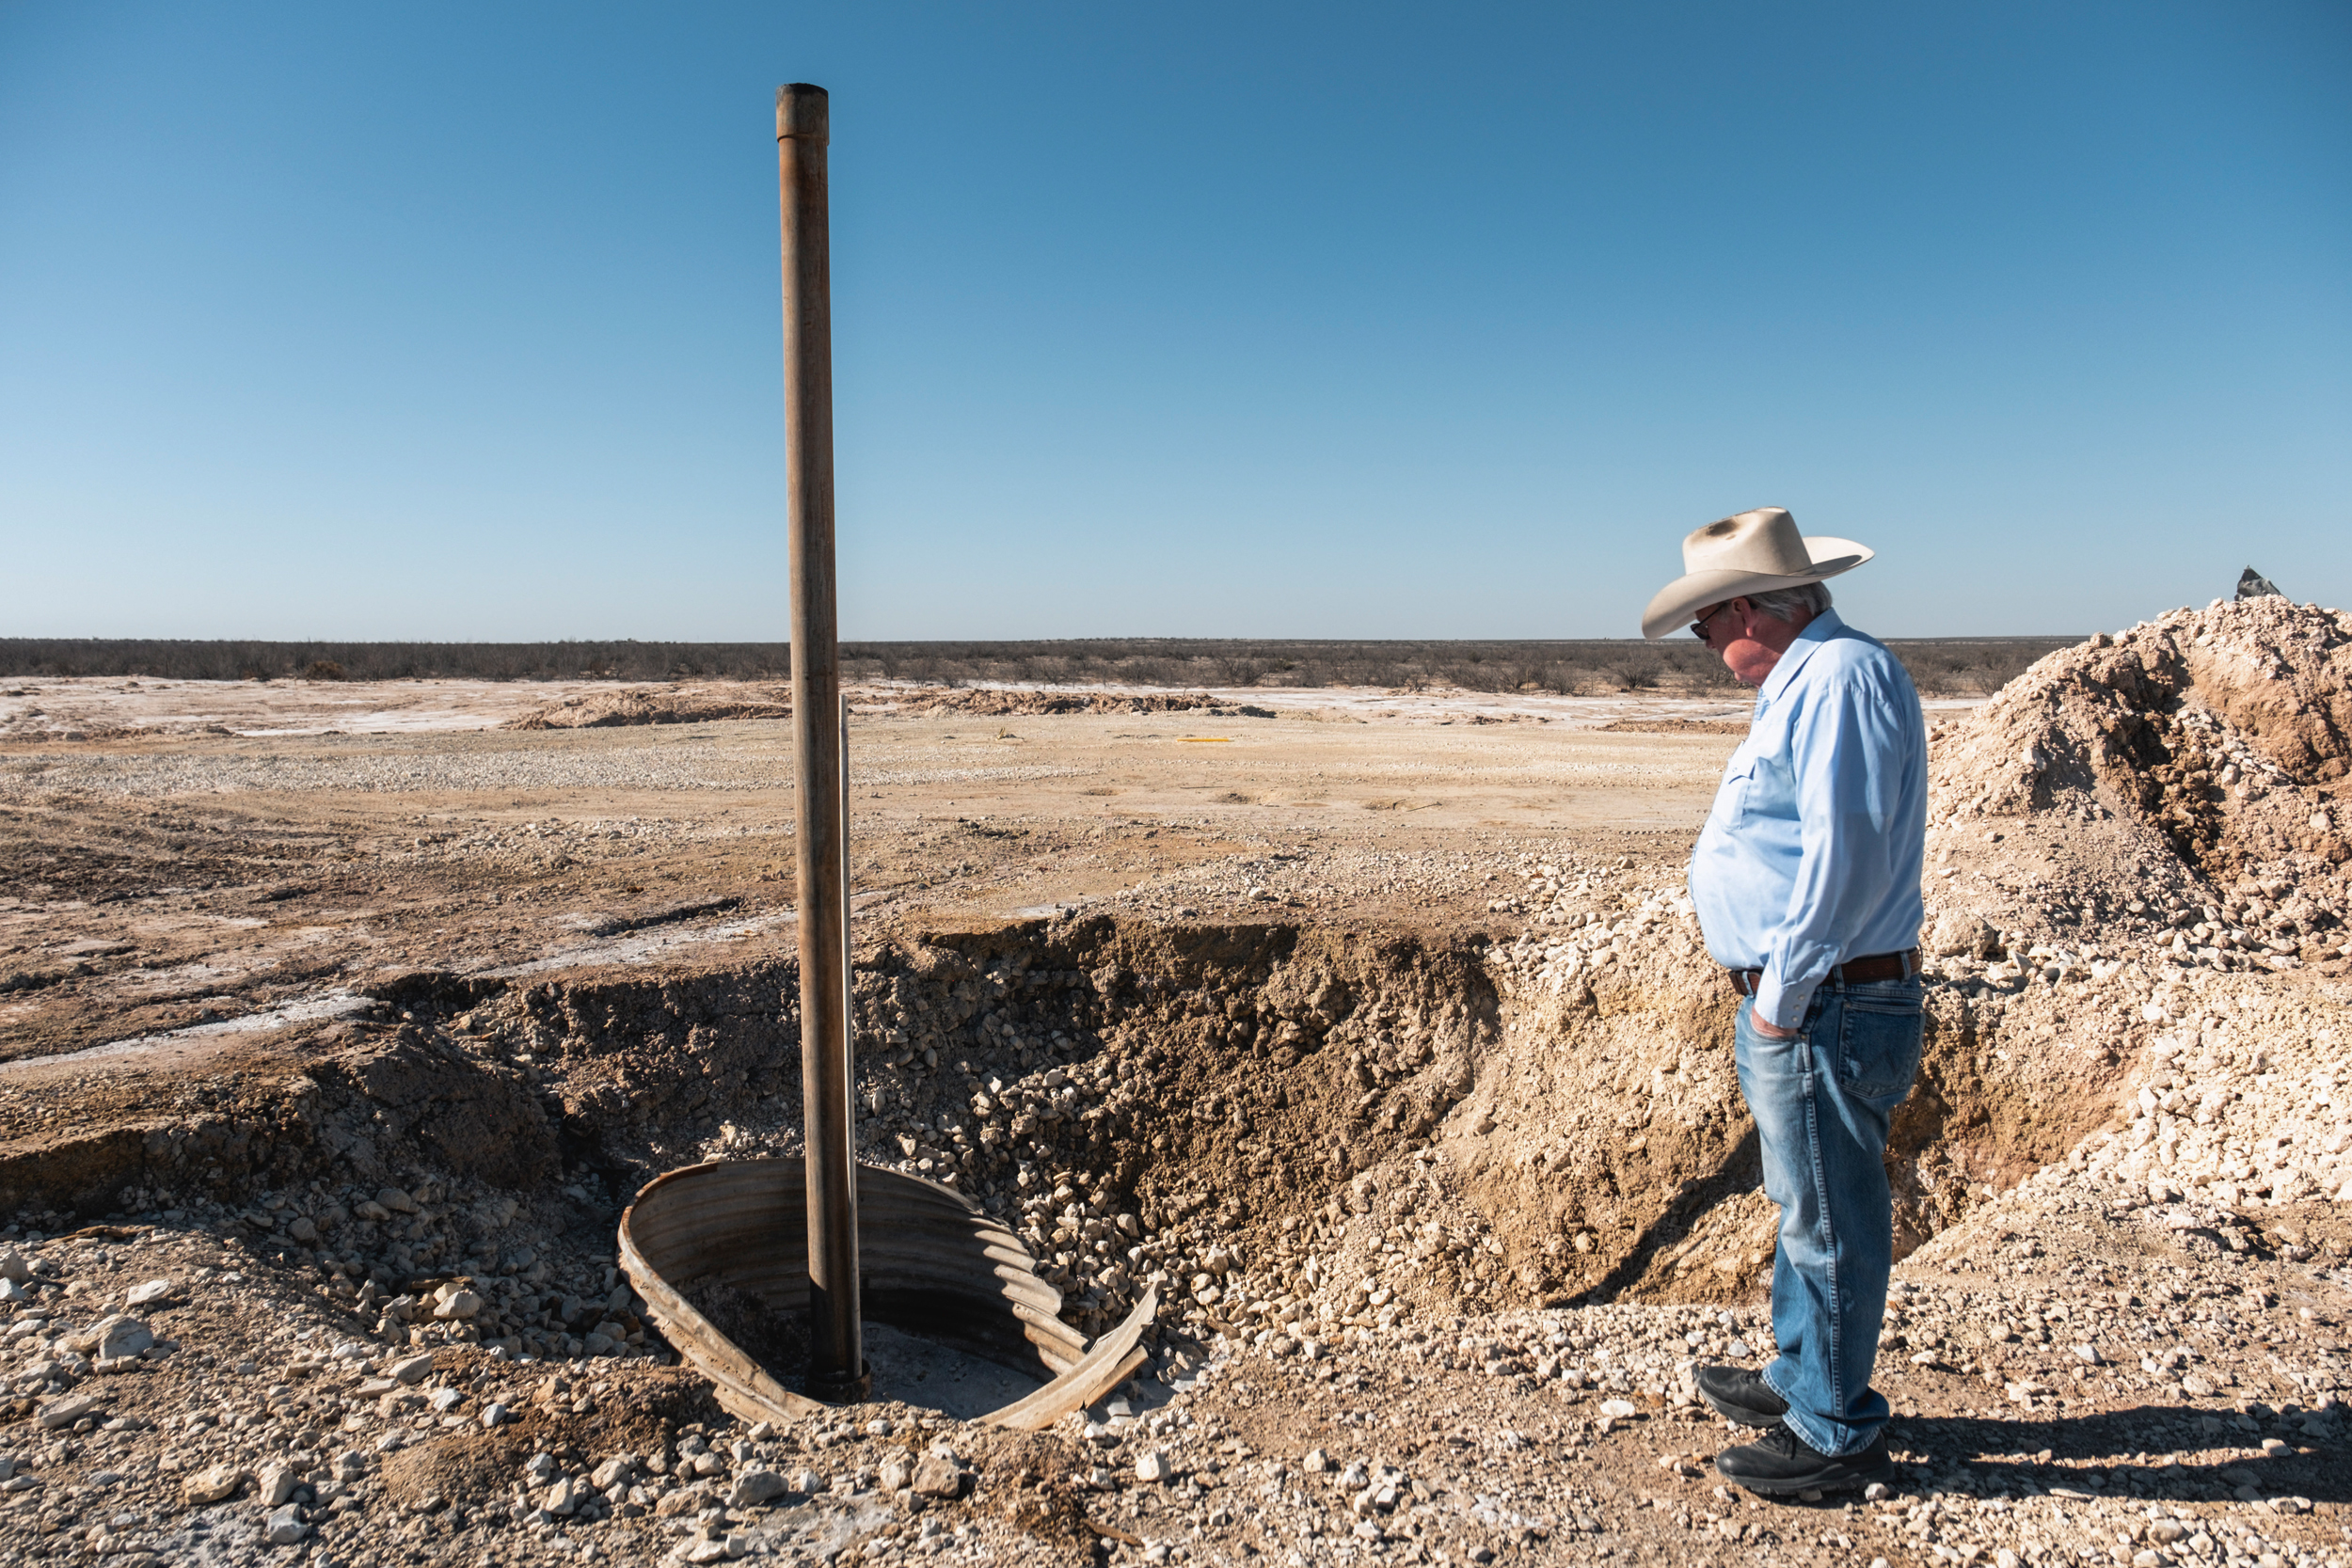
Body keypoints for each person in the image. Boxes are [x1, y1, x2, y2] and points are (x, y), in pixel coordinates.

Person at [1640, 506, 1927, 1497]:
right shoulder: (1811, 679)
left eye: (1706, 621)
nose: (1704, 641)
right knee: (1804, 1199)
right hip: (1810, 996)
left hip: (1823, 999)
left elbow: (1841, 858)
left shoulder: (1840, 677)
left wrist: (1781, 1000)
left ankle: (1835, 1434)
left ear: (1751, 606)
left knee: (1831, 1216)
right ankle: (1803, 1379)